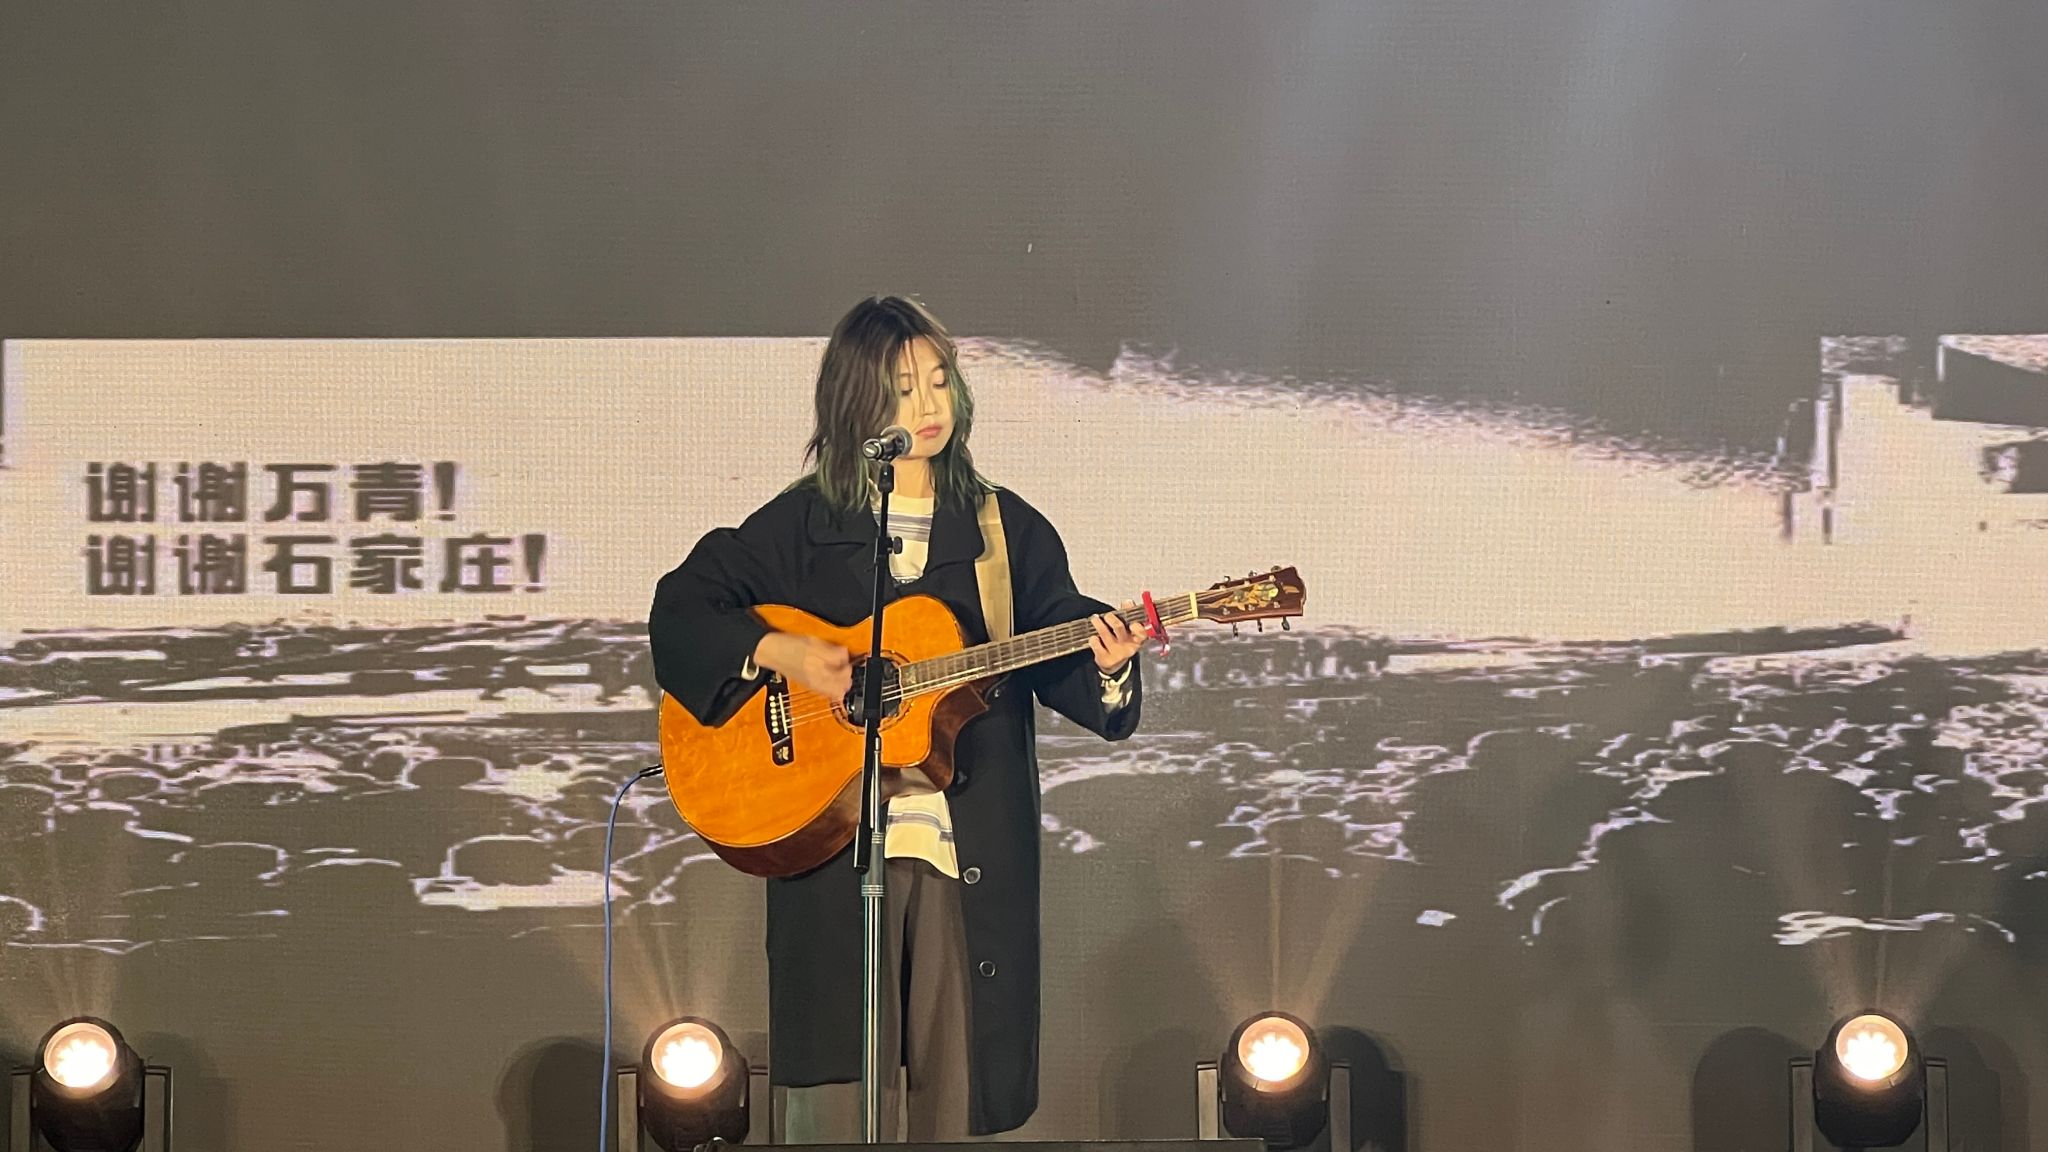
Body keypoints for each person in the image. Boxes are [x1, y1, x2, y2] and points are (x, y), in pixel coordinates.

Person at [648, 295, 1145, 1140]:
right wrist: (785, 652)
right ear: (856, 404)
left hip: (963, 855)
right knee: (836, 1104)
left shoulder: (1004, 530)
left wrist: (1109, 662)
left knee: (953, 1099)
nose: (928, 406)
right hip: (832, 851)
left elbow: (1058, 645)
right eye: (902, 389)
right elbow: (682, 609)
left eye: (939, 382)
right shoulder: (800, 525)